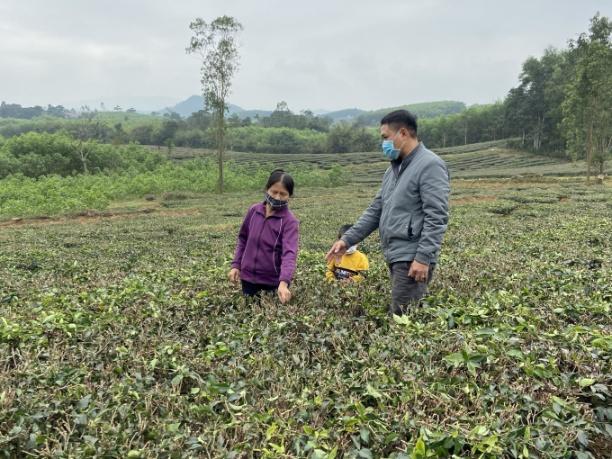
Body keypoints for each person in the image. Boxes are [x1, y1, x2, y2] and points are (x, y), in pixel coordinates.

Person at [325, 110, 450, 315]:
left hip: (412, 257)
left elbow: (437, 216)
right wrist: (347, 240)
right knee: (402, 315)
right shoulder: (392, 170)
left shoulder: (430, 165)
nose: (383, 143)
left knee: (402, 320)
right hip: (396, 253)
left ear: (402, 133)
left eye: (385, 137)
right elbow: (376, 209)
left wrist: (423, 257)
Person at [228, 169, 299, 304]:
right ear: (267, 189)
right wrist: (236, 265)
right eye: (274, 192)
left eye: (283, 194)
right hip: (248, 279)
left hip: (272, 283)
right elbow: (243, 239)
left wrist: (284, 283)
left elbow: (289, 254)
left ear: (290, 196)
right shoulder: (254, 211)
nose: (277, 197)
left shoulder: (289, 221)